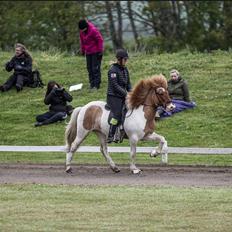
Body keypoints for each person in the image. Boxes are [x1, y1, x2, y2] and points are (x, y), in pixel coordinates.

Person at [106, 49, 132, 143]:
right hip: (113, 96)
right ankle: (111, 134)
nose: (126, 61)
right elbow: (115, 86)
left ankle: (123, 131)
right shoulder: (112, 70)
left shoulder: (125, 69)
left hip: (122, 95)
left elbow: (128, 84)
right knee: (116, 114)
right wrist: (126, 94)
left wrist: (132, 93)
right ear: (119, 59)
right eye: (125, 59)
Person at [78, 19, 104, 90]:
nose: (82, 31)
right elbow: (82, 41)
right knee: (89, 69)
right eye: (81, 30)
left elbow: (100, 40)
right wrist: (83, 50)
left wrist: (100, 51)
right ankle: (92, 84)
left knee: (95, 69)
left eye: (83, 29)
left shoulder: (93, 30)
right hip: (88, 52)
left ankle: (96, 85)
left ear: (86, 27)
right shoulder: (82, 31)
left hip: (96, 52)